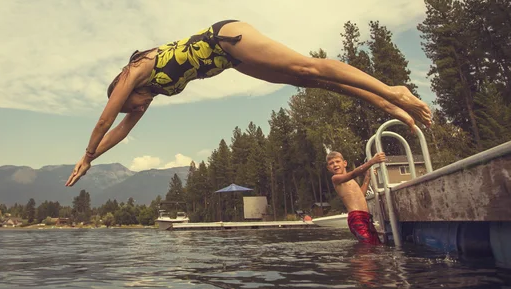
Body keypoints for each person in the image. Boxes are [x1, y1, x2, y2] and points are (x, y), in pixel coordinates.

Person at [65, 19, 432, 187]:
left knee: (307, 65)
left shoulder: (136, 70)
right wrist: (93, 160)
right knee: (310, 82)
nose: (135, 110)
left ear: (123, 91)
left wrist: (85, 152)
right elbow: (118, 132)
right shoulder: (149, 96)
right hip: (231, 62)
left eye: (130, 105)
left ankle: (392, 90)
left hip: (225, 38)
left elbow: (103, 122)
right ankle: (385, 104)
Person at [326, 151, 386, 245]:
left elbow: (361, 195)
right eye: (331, 163)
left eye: (337, 161)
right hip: (356, 217)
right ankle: (359, 259)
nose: (335, 165)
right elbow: (353, 174)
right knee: (367, 246)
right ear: (329, 168)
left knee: (375, 244)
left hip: (365, 217)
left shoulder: (351, 181)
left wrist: (367, 178)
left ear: (345, 163)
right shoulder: (336, 179)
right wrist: (372, 161)